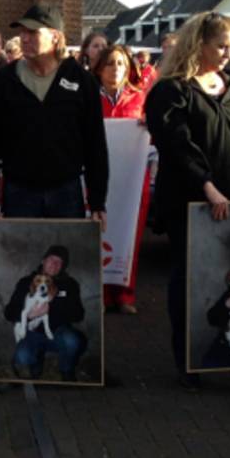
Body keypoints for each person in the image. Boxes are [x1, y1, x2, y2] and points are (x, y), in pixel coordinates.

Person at [144, 11, 230, 400]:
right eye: (221, 45)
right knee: (191, 280)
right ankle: (192, 358)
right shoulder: (172, 91)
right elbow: (176, 144)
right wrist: (207, 187)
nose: (227, 53)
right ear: (198, 44)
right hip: (191, 205)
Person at [0, 4, 108, 231]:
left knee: (64, 262)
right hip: (18, 191)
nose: (24, 38)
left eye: (33, 33)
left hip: (66, 191)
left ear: (55, 37)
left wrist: (97, 201)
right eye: (22, 32)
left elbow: (95, 144)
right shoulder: (4, 81)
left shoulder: (82, 80)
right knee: (21, 264)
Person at [93, 44, 148, 314]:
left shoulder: (140, 99)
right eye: (110, 63)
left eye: (121, 64)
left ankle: (125, 294)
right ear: (100, 69)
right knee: (99, 232)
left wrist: (149, 126)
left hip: (132, 178)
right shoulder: (90, 99)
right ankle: (101, 293)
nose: (116, 69)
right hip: (99, 179)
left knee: (130, 235)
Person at [3, 246, 88, 381]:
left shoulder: (70, 284)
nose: (54, 264)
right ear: (43, 261)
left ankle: (66, 370)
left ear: (63, 266)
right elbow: (8, 312)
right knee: (22, 357)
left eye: (59, 262)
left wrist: (52, 307)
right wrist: (30, 315)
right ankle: (35, 365)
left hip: (58, 333)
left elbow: (79, 315)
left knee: (73, 340)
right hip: (32, 332)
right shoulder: (27, 282)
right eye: (51, 259)